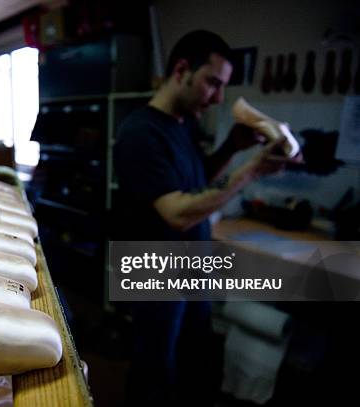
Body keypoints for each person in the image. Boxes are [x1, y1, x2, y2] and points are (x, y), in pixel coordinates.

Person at [113, 30, 301, 406]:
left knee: (190, 361)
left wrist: (233, 147)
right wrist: (250, 171)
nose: (218, 98)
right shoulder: (139, 133)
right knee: (155, 371)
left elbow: (195, 182)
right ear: (182, 70)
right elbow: (177, 212)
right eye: (212, 83)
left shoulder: (183, 125)